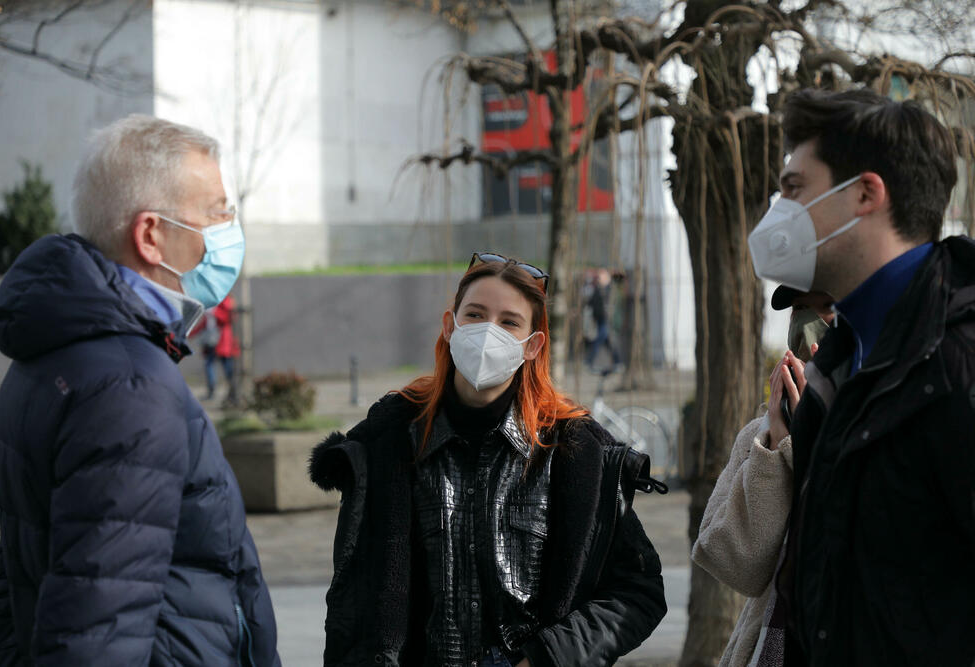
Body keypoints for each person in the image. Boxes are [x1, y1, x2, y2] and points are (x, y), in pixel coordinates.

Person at [0, 115, 279, 666]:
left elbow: (19, 584)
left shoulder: (54, 353)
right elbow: (98, 628)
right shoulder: (129, 385)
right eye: (216, 211)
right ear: (150, 235)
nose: (229, 225)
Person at [309, 252, 668, 666]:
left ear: (532, 345)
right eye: (475, 315)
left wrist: (545, 657)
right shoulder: (391, 440)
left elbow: (637, 590)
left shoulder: (573, 451)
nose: (487, 333)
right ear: (450, 326)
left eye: (509, 322)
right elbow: (355, 599)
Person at [746, 87, 975, 666]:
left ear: (866, 194)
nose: (778, 209)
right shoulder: (840, 365)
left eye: (795, 188)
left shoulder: (957, 360)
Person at [692, 286, 834, 667]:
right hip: (772, 645)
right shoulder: (762, 435)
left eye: (829, 307)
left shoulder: (878, 428)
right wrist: (777, 449)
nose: (809, 326)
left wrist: (812, 444)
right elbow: (733, 564)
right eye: (800, 309)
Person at [585, 268, 622, 371]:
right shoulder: (597, 289)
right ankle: (617, 361)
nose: (600, 279)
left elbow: (612, 305)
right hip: (599, 318)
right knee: (607, 341)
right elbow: (591, 303)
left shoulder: (610, 290)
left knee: (601, 338)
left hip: (606, 319)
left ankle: (590, 360)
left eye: (602, 277)